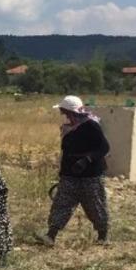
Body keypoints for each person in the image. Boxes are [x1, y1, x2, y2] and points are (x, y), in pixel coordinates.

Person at [38, 95, 110, 246]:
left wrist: (86, 160)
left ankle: (103, 236)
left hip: (91, 176)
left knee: (95, 206)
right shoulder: (68, 128)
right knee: (61, 204)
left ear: (71, 112)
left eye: (64, 111)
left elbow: (104, 148)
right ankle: (51, 236)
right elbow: (67, 153)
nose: (62, 114)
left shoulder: (91, 125)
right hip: (70, 175)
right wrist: (63, 172)